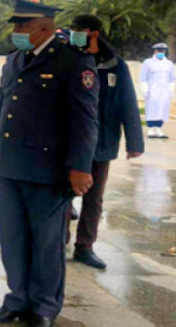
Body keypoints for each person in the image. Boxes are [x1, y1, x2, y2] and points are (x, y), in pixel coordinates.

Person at [0, 0, 99, 327]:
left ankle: (44, 307)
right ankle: (17, 300)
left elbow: (85, 120)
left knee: (47, 244)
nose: (16, 31)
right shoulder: (14, 60)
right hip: (9, 166)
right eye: (15, 25)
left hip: (48, 169)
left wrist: (80, 167)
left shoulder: (73, 61)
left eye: (22, 26)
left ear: (44, 28)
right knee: (13, 238)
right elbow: (1, 108)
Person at [66, 14, 144, 269]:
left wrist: (134, 142)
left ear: (95, 32)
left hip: (103, 140)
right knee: (63, 194)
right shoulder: (66, 57)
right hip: (70, 139)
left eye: (80, 29)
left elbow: (127, 103)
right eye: (73, 28)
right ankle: (58, 242)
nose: (75, 32)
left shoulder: (114, 64)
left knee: (94, 198)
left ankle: (85, 247)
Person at [140, 42, 175, 139]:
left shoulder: (169, 64)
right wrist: (145, 90)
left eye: (163, 51)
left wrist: (170, 91)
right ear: (155, 51)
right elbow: (143, 78)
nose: (161, 52)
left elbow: (172, 79)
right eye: (159, 51)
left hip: (164, 91)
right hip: (152, 91)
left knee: (162, 110)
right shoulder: (148, 63)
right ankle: (151, 129)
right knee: (151, 110)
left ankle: (159, 129)